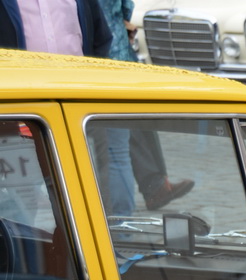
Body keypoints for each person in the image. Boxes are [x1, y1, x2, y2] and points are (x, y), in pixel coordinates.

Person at [0, 0, 194, 211]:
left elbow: (101, 37)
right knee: (23, 195)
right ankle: (20, 239)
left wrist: (92, 81)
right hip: (24, 105)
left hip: (91, 90)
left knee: (113, 157)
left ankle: (119, 231)